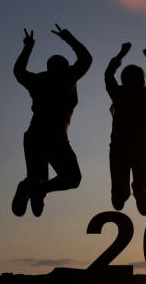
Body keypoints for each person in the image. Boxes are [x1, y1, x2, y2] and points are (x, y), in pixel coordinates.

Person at [12, 24, 92, 217]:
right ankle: (34, 189)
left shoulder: (39, 80)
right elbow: (85, 59)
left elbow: (19, 72)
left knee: (39, 181)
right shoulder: (67, 77)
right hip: (55, 137)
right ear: (65, 67)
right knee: (72, 178)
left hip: (35, 136)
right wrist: (69, 37)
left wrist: (28, 48)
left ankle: (33, 189)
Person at [105, 42, 146, 216]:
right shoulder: (145, 95)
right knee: (128, 193)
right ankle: (138, 191)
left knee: (121, 198)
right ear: (141, 80)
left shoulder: (121, 94)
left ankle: (137, 191)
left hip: (125, 148)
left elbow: (108, 75)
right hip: (136, 148)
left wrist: (121, 54)